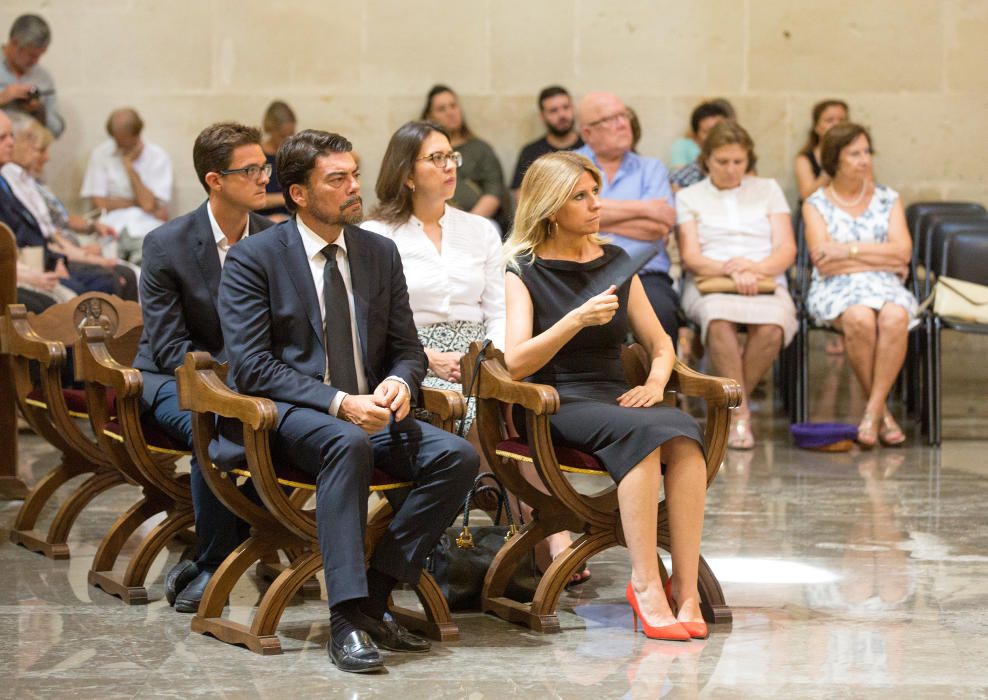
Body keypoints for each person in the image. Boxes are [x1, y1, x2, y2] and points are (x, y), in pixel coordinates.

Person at [217, 129, 477, 673]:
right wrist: (340, 403)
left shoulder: (378, 252)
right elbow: (252, 368)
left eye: (354, 174)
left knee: (457, 457)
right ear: (299, 194)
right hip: (292, 420)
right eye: (337, 179)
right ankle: (344, 620)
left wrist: (401, 384)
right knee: (346, 444)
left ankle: (377, 596)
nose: (354, 187)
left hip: (373, 413)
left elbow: (407, 349)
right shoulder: (254, 259)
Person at [503, 151, 709, 641]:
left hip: (617, 396)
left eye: (596, 192)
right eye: (582, 196)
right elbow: (515, 362)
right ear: (552, 208)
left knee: (683, 433)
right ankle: (644, 584)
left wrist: (655, 383)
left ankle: (685, 586)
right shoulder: (523, 268)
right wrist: (574, 319)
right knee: (642, 436)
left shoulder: (615, 260)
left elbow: (661, 344)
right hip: (557, 399)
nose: (598, 204)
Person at [132, 122, 275, 613]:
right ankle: (217, 561)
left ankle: (244, 540)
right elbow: (171, 347)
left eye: (265, 166)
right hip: (173, 381)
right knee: (213, 422)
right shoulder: (167, 244)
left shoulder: (274, 239)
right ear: (215, 180)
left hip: (250, 379)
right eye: (251, 169)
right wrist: (234, 386)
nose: (264, 178)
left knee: (292, 423)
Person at [362, 121, 504, 436]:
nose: (450, 166)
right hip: (411, 355)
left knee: (518, 405)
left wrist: (488, 359)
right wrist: (428, 358)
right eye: (437, 158)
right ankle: (474, 486)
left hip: (478, 353)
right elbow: (369, 323)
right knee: (472, 411)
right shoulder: (375, 234)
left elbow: (498, 309)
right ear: (407, 174)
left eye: (452, 156)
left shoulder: (481, 229)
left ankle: (492, 487)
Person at [676, 122, 797, 449]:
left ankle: (730, 405)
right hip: (710, 280)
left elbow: (787, 249)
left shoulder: (768, 189)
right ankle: (740, 413)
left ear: (748, 160)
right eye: (722, 162)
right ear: (706, 161)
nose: (731, 170)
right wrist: (732, 270)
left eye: (738, 162)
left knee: (773, 327)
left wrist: (755, 269)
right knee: (718, 320)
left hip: (766, 277)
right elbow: (691, 256)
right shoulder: (689, 196)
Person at [803, 123, 914, 448]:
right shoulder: (816, 204)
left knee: (895, 317)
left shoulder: (888, 199)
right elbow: (824, 260)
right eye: (854, 153)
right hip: (836, 285)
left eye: (866, 152)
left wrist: (847, 250)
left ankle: (873, 411)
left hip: (885, 285)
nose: (864, 160)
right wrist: (882, 257)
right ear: (836, 158)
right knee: (859, 318)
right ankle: (881, 414)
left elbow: (902, 252)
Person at [574, 92, 679, 344]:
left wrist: (592, 214)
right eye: (611, 119)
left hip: (646, 273)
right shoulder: (570, 165)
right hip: (585, 272)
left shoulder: (651, 168)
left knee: (663, 314)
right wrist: (645, 208)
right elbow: (569, 219)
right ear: (588, 133)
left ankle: (660, 383)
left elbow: (659, 227)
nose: (623, 123)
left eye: (624, 115)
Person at [1, 114, 136, 300]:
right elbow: (24, 238)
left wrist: (68, 257)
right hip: (30, 264)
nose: (10, 143)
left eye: (11, 137)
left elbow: (47, 230)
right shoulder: (10, 182)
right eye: (3, 138)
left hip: (46, 257)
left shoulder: (25, 182)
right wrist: (40, 270)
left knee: (119, 277)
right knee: (83, 295)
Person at [80, 108, 173, 263]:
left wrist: (129, 167)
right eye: (116, 138)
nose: (118, 143)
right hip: (111, 227)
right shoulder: (100, 154)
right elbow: (99, 203)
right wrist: (138, 202)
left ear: (136, 134)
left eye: (123, 139)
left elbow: (148, 205)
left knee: (150, 262)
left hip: (145, 228)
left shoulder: (158, 157)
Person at [421, 84, 510, 232]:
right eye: (442, 109)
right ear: (430, 116)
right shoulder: (424, 151)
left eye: (453, 106)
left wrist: (466, 224)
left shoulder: (481, 148)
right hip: (432, 222)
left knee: (490, 229)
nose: (450, 112)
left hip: (477, 220)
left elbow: (493, 192)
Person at [510, 86, 583, 197]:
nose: (562, 115)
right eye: (553, 111)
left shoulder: (590, 147)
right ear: (542, 117)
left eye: (566, 107)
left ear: (573, 109)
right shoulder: (531, 152)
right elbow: (521, 197)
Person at [0, 14, 63, 138]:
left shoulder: (44, 78)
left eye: (39, 55)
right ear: (14, 43)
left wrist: (38, 110)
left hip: (29, 153)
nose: (35, 61)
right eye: (31, 55)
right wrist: (2, 98)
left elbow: (57, 130)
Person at [669, 101, 732, 192]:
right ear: (696, 136)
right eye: (707, 131)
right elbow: (674, 186)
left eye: (719, 129)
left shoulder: (740, 155)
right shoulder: (693, 169)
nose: (715, 135)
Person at [795, 99, 849, 203]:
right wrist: (829, 172)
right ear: (816, 127)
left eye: (842, 120)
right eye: (829, 120)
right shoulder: (804, 158)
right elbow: (805, 196)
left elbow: (870, 187)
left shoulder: (859, 154)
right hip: (815, 210)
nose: (836, 125)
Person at [258, 100, 296, 220]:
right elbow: (248, 198)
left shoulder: (293, 153)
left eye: (291, 134)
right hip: (262, 217)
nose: (287, 140)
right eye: (282, 135)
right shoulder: (258, 155)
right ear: (270, 130)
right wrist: (284, 199)